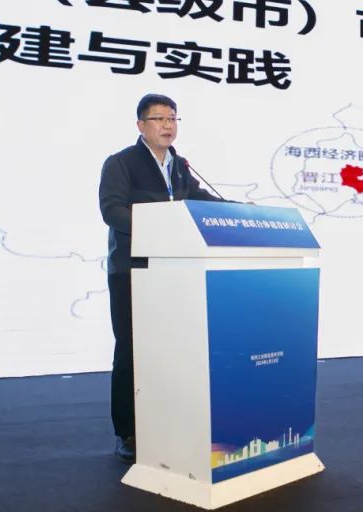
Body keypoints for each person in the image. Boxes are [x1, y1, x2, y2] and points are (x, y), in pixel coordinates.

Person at [98, 93, 223, 462]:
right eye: (159, 119)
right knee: (131, 352)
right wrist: (159, 226)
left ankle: (166, 423)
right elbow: (112, 211)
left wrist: (241, 212)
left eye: (173, 118)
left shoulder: (179, 166)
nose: (168, 125)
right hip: (132, 271)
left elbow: (199, 200)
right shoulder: (121, 163)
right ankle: (127, 431)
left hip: (173, 271)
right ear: (141, 125)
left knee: (170, 351)